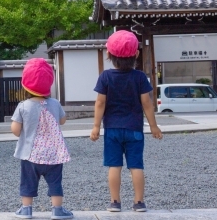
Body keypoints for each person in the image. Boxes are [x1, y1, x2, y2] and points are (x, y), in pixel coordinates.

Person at [90, 30, 163, 213]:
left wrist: (96, 126)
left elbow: (100, 103)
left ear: (108, 54)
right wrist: (154, 126)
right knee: (136, 165)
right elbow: (147, 103)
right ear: (136, 54)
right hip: (134, 129)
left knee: (114, 166)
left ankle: (115, 202)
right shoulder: (139, 77)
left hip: (112, 129)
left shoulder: (105, 77)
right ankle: (139, 202)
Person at [11, 58, 73, 220]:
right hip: (53, 155)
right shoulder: (54, 103)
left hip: (30, 155)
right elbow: (62, 120)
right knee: (55, 183)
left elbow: (16, 131)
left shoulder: (23, 106)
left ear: (25, 85)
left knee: (28, 182)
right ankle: (57, 210)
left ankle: (26, 209)